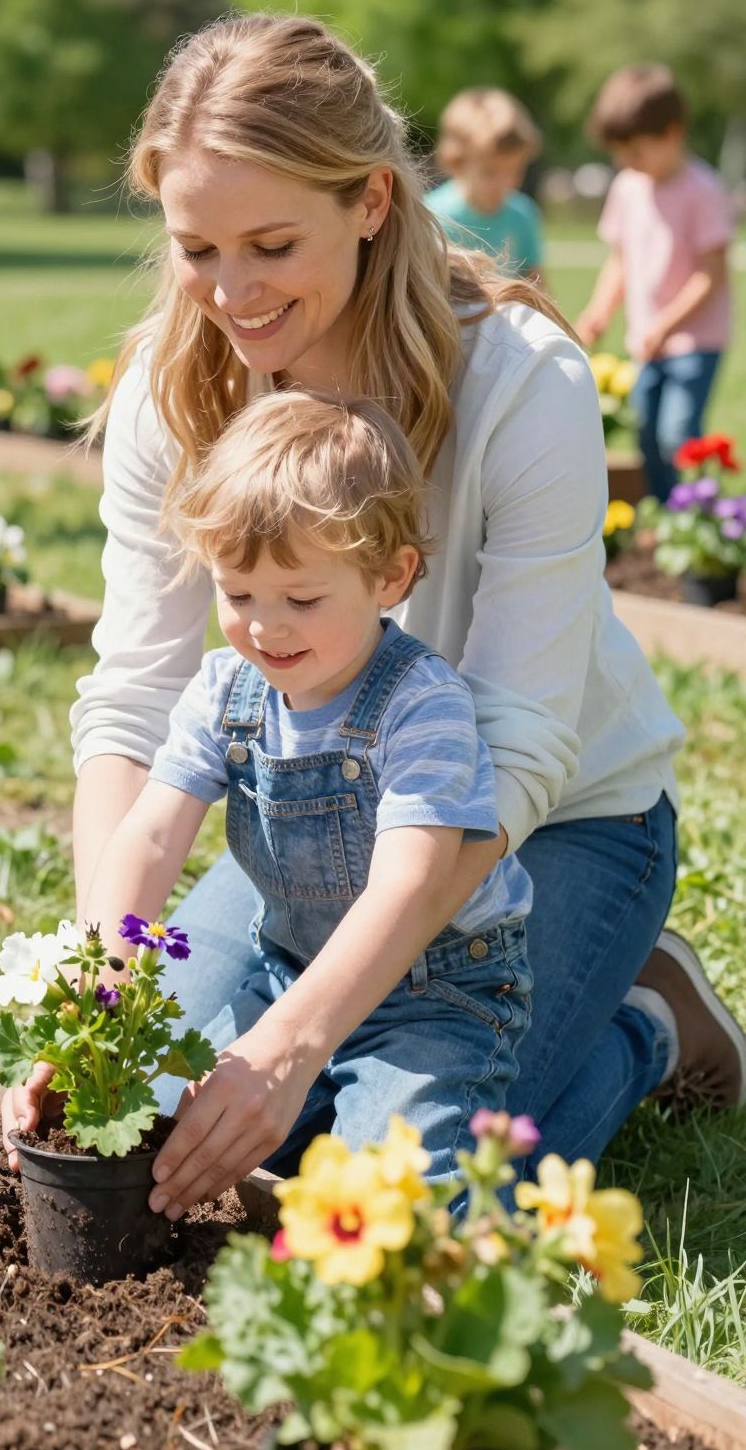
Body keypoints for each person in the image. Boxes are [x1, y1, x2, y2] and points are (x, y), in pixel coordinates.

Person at [2, 13, 745, 1221]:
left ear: (372, 202)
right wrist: (102, 990)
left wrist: (299, 1033)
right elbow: (134, 697)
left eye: (271, 242)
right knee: (158, 1119)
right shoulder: (173, 387)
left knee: (395, 1192)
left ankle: (648, 1023)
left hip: (546, 828)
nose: (231, 293)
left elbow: (513, 745)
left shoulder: (520, 380)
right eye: (196, 247)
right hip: (304, 825)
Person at [77, 390, 534, 1189]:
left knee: (392, 1206)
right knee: (166, 1136)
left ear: (391, 577)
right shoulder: (227, 691)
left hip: (433, 997)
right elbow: (150, 838)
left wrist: (284, 1048)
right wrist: (96, 994)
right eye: (238, 593)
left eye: (303, 599)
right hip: (286, 969)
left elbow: (410, 885)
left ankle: (640, 1037)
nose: (266, 627)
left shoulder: (421, 704)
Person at [576, 65, 734, 504]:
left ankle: (698, 513)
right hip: (647, 340)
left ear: (673, 133)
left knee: (678, 434)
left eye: (638, 151)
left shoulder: (702, 190)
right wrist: (599, 311)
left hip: (694, 341)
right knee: (646, 435)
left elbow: (711, 273)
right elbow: (620, 261)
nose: (628, 162)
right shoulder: (628, 188)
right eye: (621, 153)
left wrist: (666, 323)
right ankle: (669, 516)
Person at [425, 87, 545, 281]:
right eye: (490, 172)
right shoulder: (434, 216)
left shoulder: (523, 215)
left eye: (514, 170)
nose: (505, 183)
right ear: (457, 163)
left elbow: (537, 284)